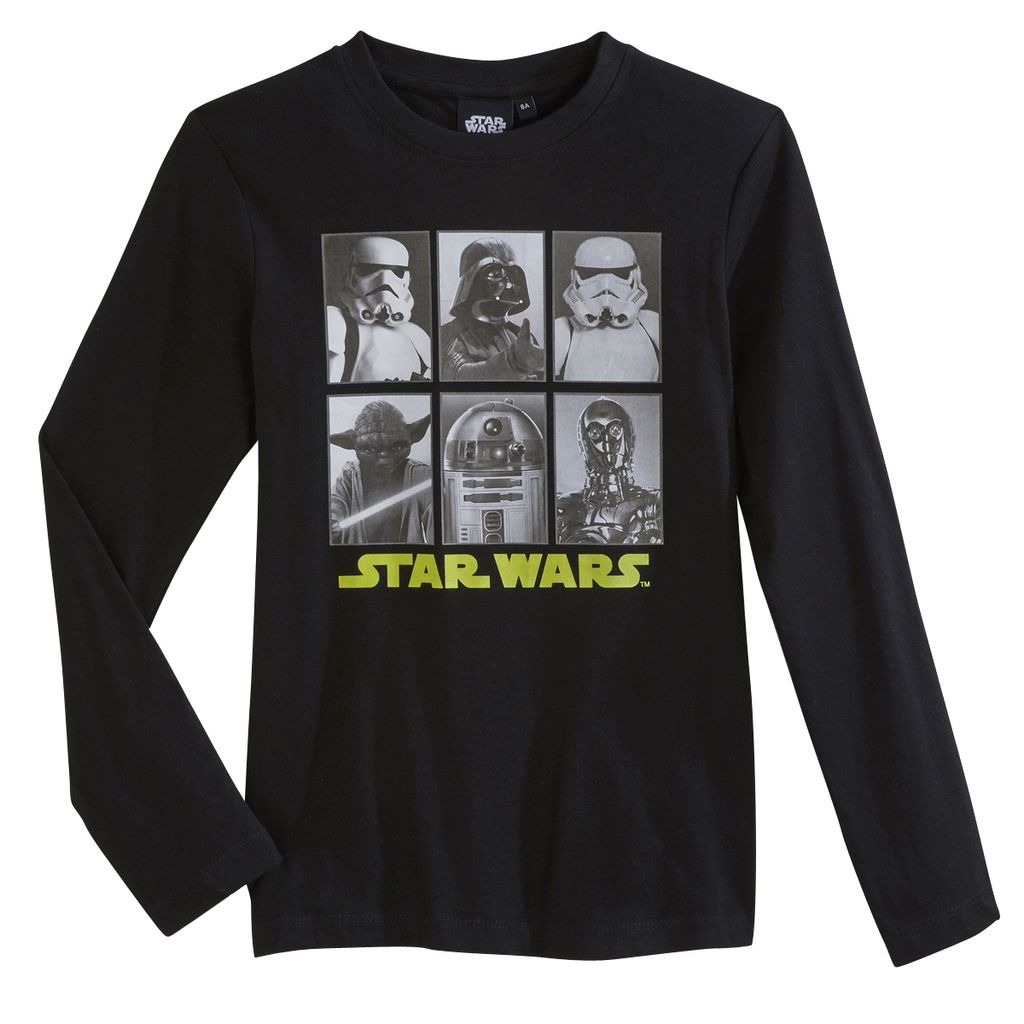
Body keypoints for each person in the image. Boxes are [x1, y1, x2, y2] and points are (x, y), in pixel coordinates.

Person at [330, 400, 433, 543]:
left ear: (414, 436)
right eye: (369, 449)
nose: (384, 460)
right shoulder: (349, 474)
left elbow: (439, 524)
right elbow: (334, 510)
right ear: (351, 444)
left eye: (397, 447)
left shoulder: (420, 475)